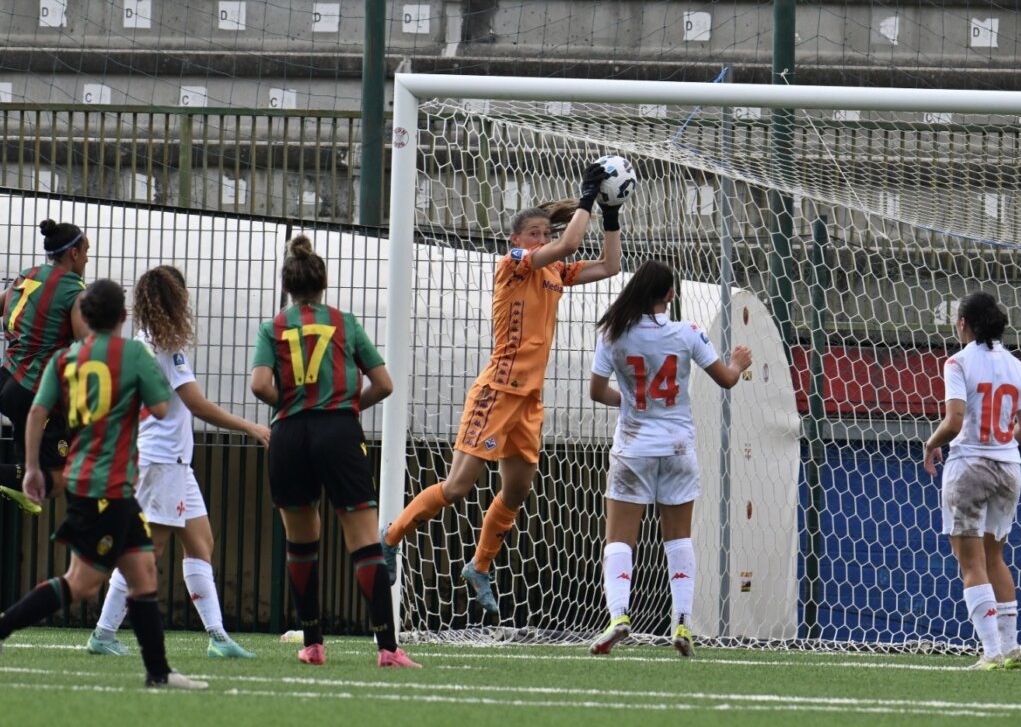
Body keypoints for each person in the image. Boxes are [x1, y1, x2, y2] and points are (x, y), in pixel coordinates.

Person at [381, 162, 623, 615]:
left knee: (516, 491)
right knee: (457, 488)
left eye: (543, 232)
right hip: (497, 390)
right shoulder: (512, 266)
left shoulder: (555, 274)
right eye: (533, 233)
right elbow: (570, 241)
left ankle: (479, 566)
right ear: (516, 240)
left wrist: (609, 214)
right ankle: (389, 538)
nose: (541, 238)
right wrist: (589, 195)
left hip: (528, 400)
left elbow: (611, 265)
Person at [0, 279, 207, 689]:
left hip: (91, 480)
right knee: (82, 583)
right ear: (122, 317)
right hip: (105, 485)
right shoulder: (131, 354)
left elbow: (38, 412)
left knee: (145, 571)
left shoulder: (64, 360)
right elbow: (163, 408)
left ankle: (158, 673)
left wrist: (34, 468)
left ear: (84, 317)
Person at [249, 234, 419, 668]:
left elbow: (259, 384)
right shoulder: (346, 322)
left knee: (301, 542)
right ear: (324, 283)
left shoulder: (273, 327)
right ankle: (387, 648)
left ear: (287, 286)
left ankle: (312, 645)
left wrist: (289, 404)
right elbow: (384, 383)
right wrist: (345, 405)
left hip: (288, 435)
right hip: (339, 432)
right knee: (362, 540)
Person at [87, 266, 269, 658]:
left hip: (171, 462)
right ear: (174, 299)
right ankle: (103, 633)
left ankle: (218, 638)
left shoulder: (141, 341)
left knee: (201, 542)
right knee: (147, 553)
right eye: (182, 296)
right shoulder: (164, 346)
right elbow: (196, 403)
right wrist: (250, 427)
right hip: (161, 462)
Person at [584, 259, 752, 657]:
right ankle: (682, 621)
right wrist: (739, 363)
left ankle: (619, 616)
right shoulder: (688, 332)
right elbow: (727, 379)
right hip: (678, 448)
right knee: (678, 538)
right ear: (670, 295)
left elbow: (596, 392)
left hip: (634, 447)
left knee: (619, 539)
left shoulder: (613, 334)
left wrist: (631, 405)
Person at [923, 291, 1021, 671]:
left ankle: (990, 653)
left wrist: (931, 443)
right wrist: (1000, 441)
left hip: (969, 465)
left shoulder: (957, 362)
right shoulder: (1018, 367)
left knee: (970, 563)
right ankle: (1011, 647)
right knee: (995, 557)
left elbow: (954, 421)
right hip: (1009, 469)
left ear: (963, 324)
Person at [0, 219, 90, 513]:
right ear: (74, 253)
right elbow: (87, 342)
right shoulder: (73, 290)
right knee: (59, 477)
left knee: (31, 465)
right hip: (34, 391)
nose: (88, 258)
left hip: (8, 378)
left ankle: (21, 488)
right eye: (87, 251)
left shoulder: (28, 275)